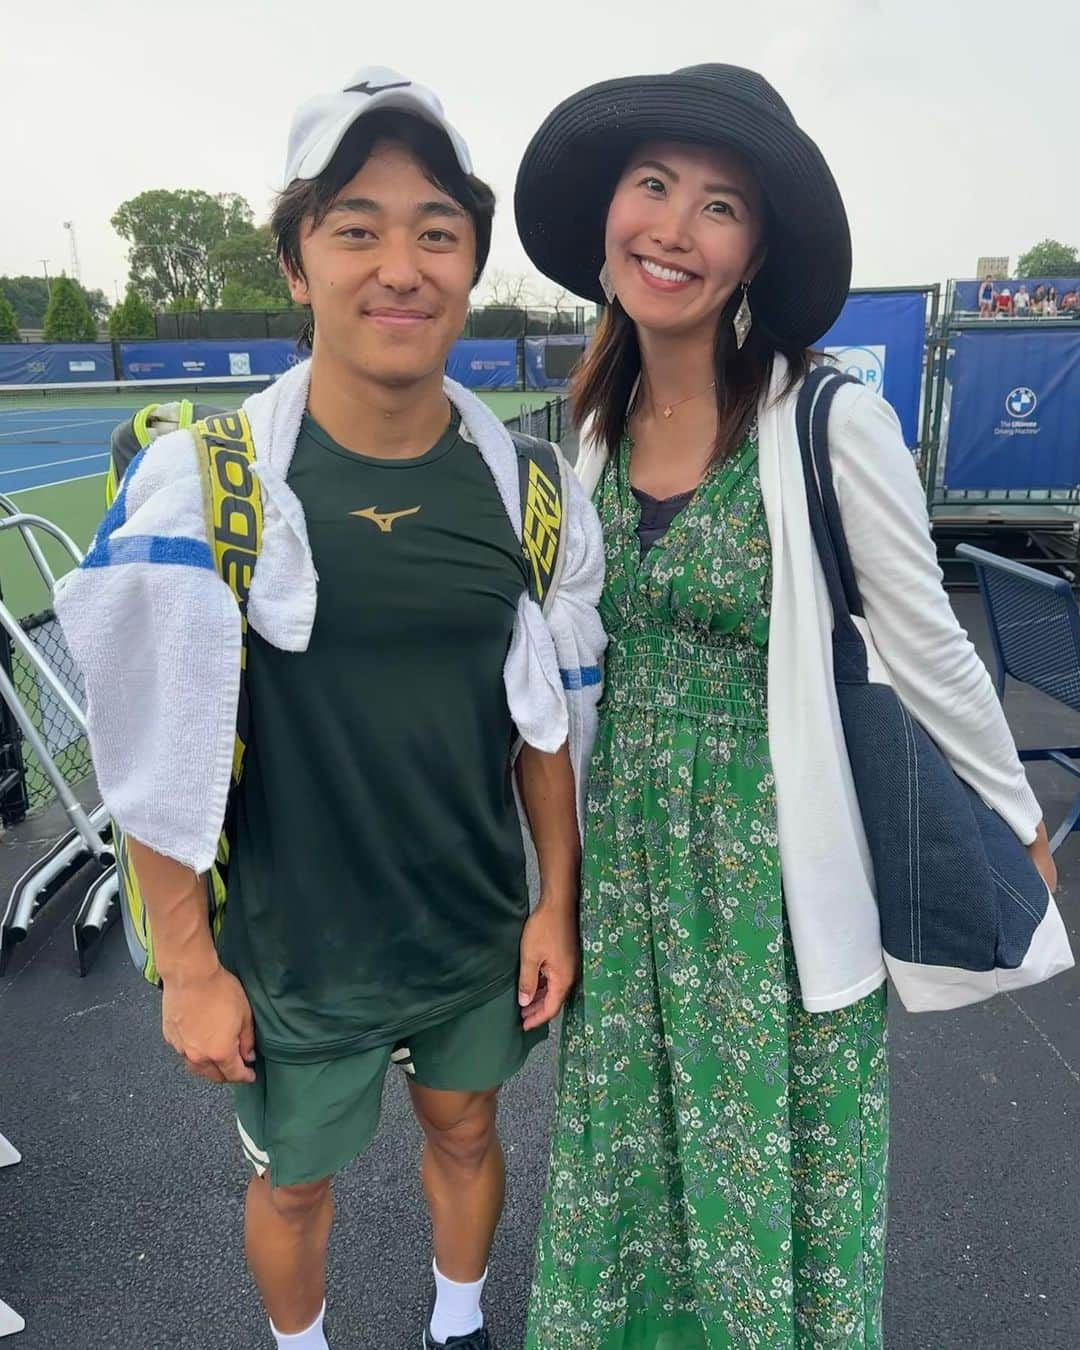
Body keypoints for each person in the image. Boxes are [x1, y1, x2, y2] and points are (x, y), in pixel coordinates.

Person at [55, 67, 605, 1350]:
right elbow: (155, 743)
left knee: (468, 1130)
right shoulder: (213, 485)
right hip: (292, 952)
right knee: (294, 1184)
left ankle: (456, 1323)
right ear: (299, 263)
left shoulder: (526, 488)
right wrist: (188, 964)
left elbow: (542, 724)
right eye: (356, 228)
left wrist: (554, 902)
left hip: (468, 924)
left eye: (436, 232)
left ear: (471, 266)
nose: (399, 266)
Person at [513, 63, 1057, 1349]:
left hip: (774, 876)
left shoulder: (826, 418)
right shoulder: (581, 436)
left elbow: (930, 648)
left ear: (754, 249)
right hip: (628, 870)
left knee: (778, 1180)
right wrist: (552, 883)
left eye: (719, 206)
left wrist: (1013, 809)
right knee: (627, 1173)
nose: (674, 227)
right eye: (653, 186)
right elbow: (557, 674)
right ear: (609, 215)